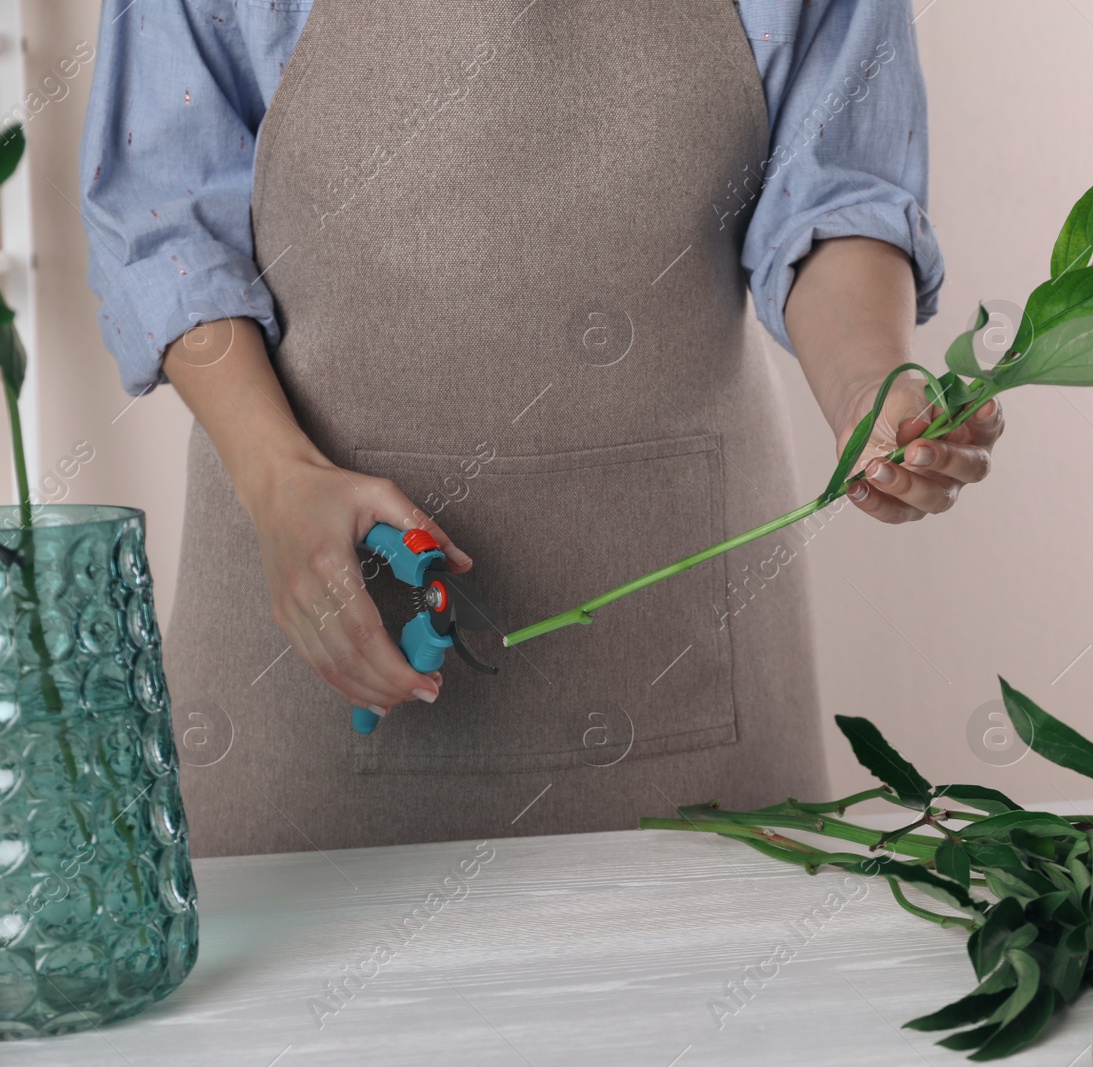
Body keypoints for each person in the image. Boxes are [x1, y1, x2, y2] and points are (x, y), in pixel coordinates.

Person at [81, 0, 1005, 858]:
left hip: (689, 663)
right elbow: (165, 218)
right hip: (318, 608)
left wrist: (868, 394)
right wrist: (278, 479)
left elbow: (833, 187)